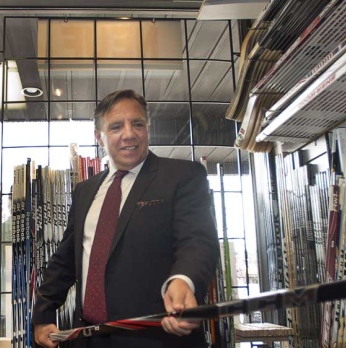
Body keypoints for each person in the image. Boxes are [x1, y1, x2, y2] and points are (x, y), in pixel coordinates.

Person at [32, 89, 220, 348]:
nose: (129, 134)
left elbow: (197, 240)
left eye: (137, 124)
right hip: (88, 337)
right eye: (116, 126)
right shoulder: (85, 191)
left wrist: (183, 280)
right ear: (99, 137)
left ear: (148, 129)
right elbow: (65, 261)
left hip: (157, 338)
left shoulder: (183, 177)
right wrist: (43, 313)